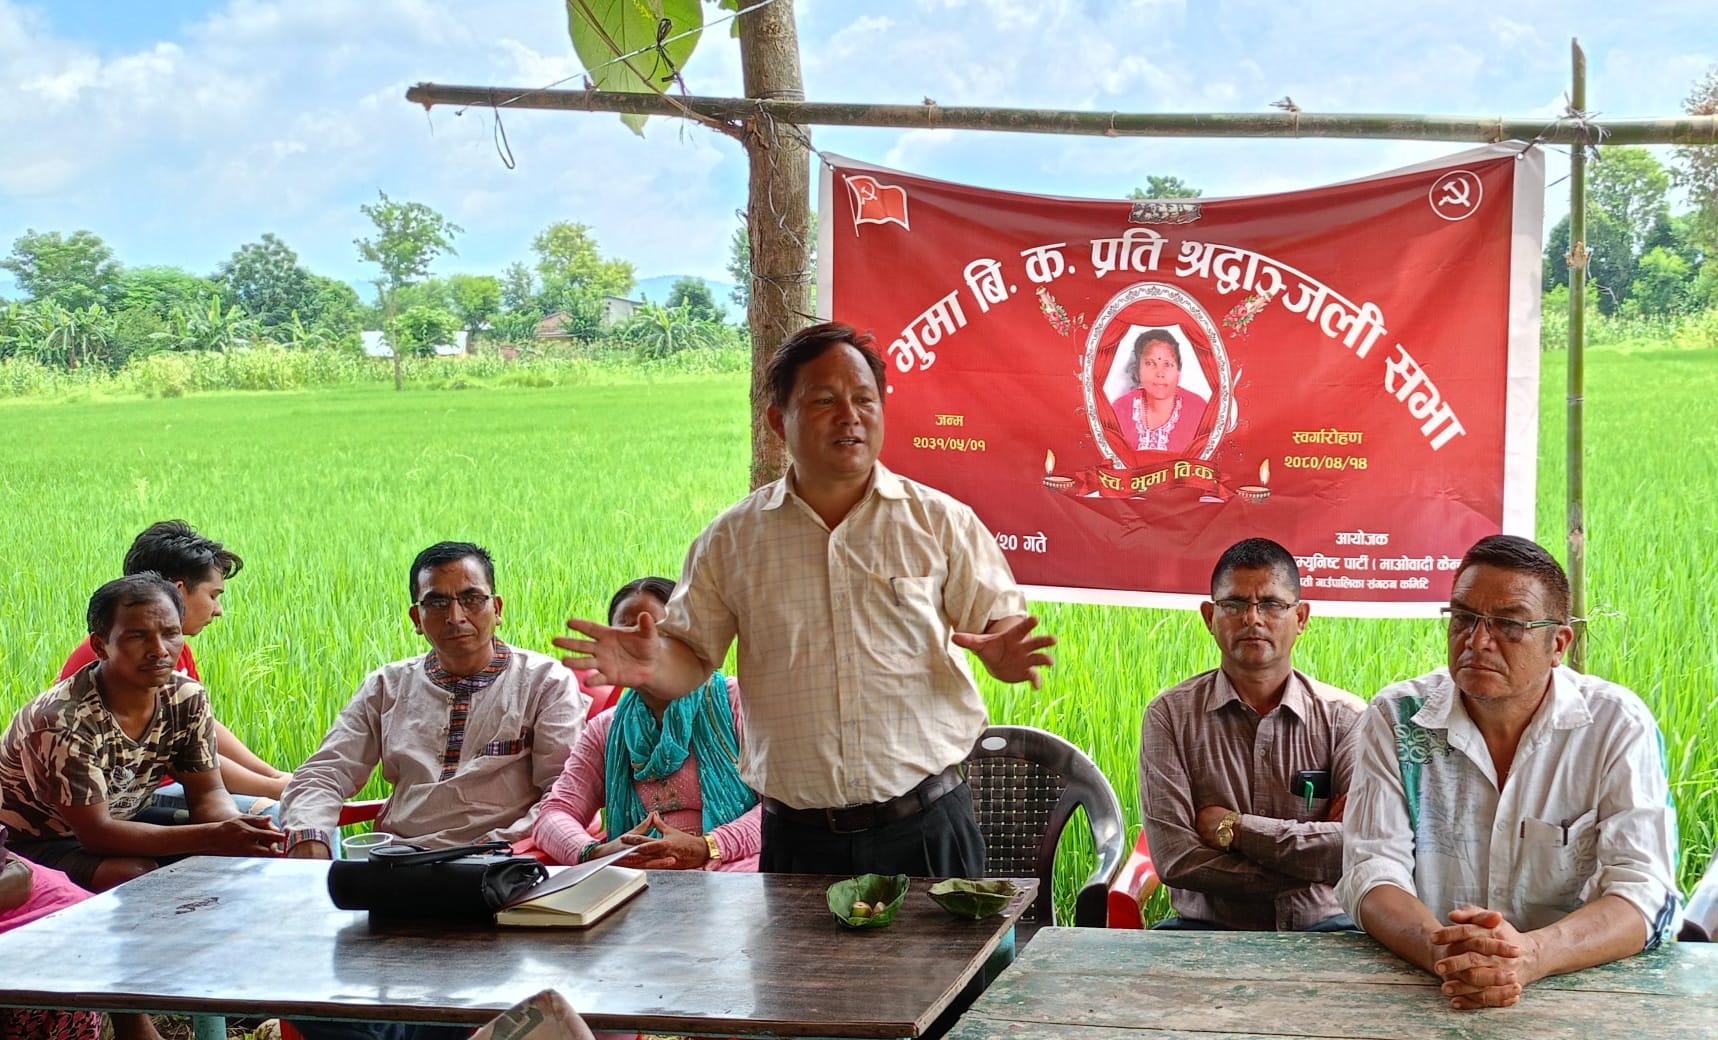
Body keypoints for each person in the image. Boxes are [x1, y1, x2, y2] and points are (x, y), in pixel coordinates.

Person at [558, 321, 1055, 879]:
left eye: (865, 398)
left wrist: (1006, 655)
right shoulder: (732, 540)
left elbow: (999, 624)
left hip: (926, 824)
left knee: (952, 970)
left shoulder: (941, 522)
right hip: (798, 839)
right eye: (824, 400)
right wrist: (653, 665)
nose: (851, 415)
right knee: (799, 972)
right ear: (779, 420)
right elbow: (692, 658)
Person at [1337, 534, 1680, 1010]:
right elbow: (1371, 871)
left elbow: (1645, 890)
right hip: (1428, 987)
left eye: (1509, 625)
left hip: (1580, 992)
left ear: (1557, 643)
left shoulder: (1615, 724)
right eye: (1463, 618)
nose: (1477, 641)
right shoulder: (1397, 718)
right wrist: (1446, 952)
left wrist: (1533, 954)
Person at [279, 541, 588, 859]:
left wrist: (497, 849)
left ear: (496, 609)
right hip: (399, 861)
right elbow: (325, 773)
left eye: (471, 599)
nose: (455, 617)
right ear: (416, 617)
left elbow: (565, 794)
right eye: (437, 603)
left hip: (503, 860)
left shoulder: (544, 682)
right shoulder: (387, 686)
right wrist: (309, 836)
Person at [0, 574, 283, 892]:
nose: (159, 650)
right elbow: (97, 835)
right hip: (40, 841)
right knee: (138, 874)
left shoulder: (185, 697)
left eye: (171, 633)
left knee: (257, 848)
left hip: (125, 817)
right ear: (100, 646)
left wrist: (232, 830)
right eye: (138, 637)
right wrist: (213, 836)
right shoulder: (64, 721)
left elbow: (207, 793)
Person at [1140, 537, 1363, 930]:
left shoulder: (1344, 719)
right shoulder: (1170, 716)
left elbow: (1357, 846)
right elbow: (1176, 858)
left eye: (1273, 604)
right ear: (1209, 617)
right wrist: (1304, 865)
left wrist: (1233, 829)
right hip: (1206, 930)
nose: (1252, 619)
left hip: (1325, 927)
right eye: (1235, 604)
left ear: (1302, 617)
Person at [59, 520, 293, 813]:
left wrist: (275, 777)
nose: (218, 610)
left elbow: (201, 728)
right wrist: (274, 788)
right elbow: (184, 757)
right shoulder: (120, 660)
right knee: (287, 812)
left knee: (302, 806)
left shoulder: (172, 652)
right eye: (213, 595)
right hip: (129, 794)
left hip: (166, 783)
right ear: (178, 591)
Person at [533, 577, 761, 871]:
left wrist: (707, 847)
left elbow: (780, 809)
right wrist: (595, 852)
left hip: (734, 871)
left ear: (685, 638)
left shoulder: (736, 704)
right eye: (624, 631)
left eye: (653, 631)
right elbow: (555, 812)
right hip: (637, 879)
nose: (637, 644)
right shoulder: (608, 729)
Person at [1, 825, 164, 1040]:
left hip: (33, 903)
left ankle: (134, 1026)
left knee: (92, 925)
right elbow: (97, 830)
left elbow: (17, 873)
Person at [1109, 329, 1207, 454]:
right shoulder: (1120, 409)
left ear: (1178, 371)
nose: (1160, 373)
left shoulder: (1198, 410)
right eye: (1150, 363)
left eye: (1167, 364)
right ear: (1138, 370)